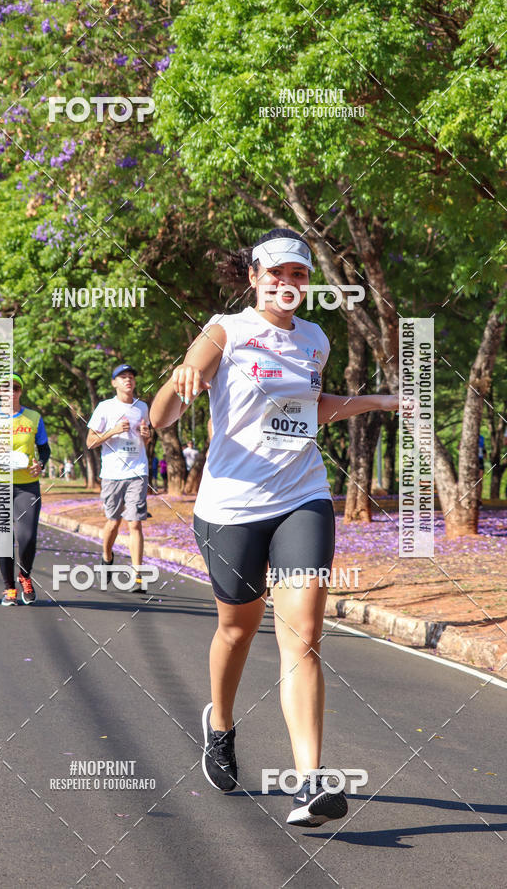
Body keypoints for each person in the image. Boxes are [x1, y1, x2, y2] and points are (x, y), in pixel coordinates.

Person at [150, 228, 399, 828]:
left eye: (299, 275)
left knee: (303, 633)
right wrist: (181, 378)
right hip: (231, 508)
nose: (288, 284)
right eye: (278, 274)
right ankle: (220, 723)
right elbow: (163, 416)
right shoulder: (225, 330)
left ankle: (310, 783)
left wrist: (381, 403)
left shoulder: (314, 340)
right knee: (236, 631)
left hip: (302, 497)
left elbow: (309, 408)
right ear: (256, 277)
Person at [0, 373, 50, 606]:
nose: (11, 393)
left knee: (27, 537)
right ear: (0, 392)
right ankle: (9, 588)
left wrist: (40, 465)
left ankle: (25, 577)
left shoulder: (33, 418)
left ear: (21, 392)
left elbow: (44, 449)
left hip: (26, 485)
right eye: (6, 388)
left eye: (16, 388)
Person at [86, 363, 151, 593]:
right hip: (112, 474)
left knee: (135, 522)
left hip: (137, 471)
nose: (128, 380)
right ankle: (107, 556)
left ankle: (138, 576)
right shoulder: (105, 407)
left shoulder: (142, 407)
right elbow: (90, 442)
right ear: (114, 383)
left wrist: (147, 435)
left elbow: (146, 440)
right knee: (113, 522)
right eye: (122, 377)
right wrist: (113, 431)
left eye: (131, 376)